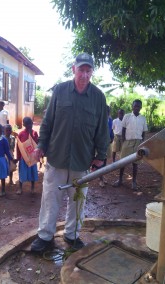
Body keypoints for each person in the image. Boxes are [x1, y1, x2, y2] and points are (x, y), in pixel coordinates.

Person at [31, 53, 109, 253]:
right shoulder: (60, 90)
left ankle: (72, 235)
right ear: (73, 69)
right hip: (57, 156)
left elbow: (101, 129)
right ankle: (45, 237)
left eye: (88, 70)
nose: (84, 74)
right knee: (50, 199)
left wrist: (101, 156)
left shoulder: (99, 97)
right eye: (81, 69)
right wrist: (41, 145)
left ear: (92, 72)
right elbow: (48, 122)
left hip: (82, 160)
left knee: (78, 201)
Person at [113, 100, 148, 190]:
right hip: (127, 142)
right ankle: (120, 180)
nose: (137, 108)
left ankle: (134, 182)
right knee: (122, 162)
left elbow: (144, 132)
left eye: (139, 106)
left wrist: (142, 142)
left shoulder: (143, 118)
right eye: (135, 106)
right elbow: (124, 129)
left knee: (135, 163)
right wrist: (124, 141)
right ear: (132, 106)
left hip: (138, 142)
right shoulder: (127, 116)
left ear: (141, 107)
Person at [16, 117, 38, 195]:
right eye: (27, 124)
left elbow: (36, 145)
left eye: (30, 124)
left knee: (33, 172)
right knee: (22, 173)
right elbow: (18, 146)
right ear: (24, 124)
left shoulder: (35, 133)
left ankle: (32, 187)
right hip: (23, 158)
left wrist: (38, 156)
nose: (29, 126)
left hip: (32, 157)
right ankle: (20, 188)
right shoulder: (21, 134)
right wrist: (18, 157)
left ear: (32, 123)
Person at [99, 105, 114, 187]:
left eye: (108, 111)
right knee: (101, 160)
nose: (107, 113)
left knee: (105, 161)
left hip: (107, 142)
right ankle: (100, 179)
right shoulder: (99, 120)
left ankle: (102, 177)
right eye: (106, 111)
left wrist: (112, 136)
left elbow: (111, 130)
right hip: (101, 143)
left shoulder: (110, 120)